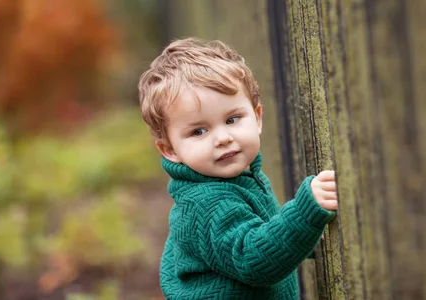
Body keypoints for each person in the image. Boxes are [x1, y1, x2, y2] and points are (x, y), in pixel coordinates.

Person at [137, 38, 338, 299]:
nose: (222, 138)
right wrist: (302, 215)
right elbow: (253, 259)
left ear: (257, 118)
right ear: (170, 150)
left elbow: (257, 229)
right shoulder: (205, 204)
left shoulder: (242, 177)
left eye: (232, 119)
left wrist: (300, 236)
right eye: (199, 131)